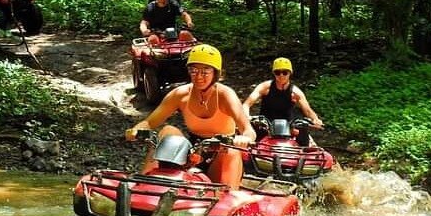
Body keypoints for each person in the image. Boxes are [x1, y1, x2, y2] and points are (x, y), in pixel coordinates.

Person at [125, 44, 255, 189]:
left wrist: (244, 139)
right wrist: (136, 130)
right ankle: (145, 184)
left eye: (205, 71)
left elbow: (248, 130)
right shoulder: (180, 94)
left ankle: (228, 196)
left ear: (215, 74)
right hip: (192, 151)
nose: (198, 76)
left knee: (230, 151)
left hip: (222, 151)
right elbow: (150, 122)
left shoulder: (225, 95)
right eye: (194, 71)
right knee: (168, 131)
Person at [242, 57, 324, 136]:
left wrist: (315, 119)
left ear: (290, 73)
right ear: (274, 73)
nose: (281, 75)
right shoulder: (265, 87)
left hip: (289, 128)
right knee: (251, 141)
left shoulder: (295, 92)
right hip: (264, 127)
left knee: (304, 140)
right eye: (277, 72)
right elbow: (247, 104)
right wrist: (246, 116)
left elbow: (308, 111)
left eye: (285, 72)